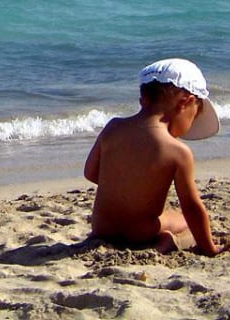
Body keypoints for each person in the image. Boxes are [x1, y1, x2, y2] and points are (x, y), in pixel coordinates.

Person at [83, 58, 222, 255]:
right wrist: (210, 248)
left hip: (102, 229)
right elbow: (191, 207)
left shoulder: (112, 127)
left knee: (171, 216)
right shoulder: (178, 152)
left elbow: (90, 173)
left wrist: (126, 187)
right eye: (194, 116)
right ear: (186, 102)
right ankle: (167, 243)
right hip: (142, 232)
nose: (190, 125)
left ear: (143, 98)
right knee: (184, 221)